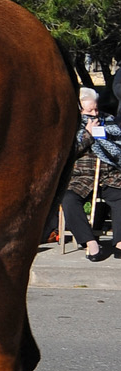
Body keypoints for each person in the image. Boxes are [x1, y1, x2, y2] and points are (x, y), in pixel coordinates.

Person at [61, 87, 121, 261]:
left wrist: (104, 137)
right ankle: (89, 242)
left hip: (109, 174)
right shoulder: (70, 124)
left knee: (119, 196)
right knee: (68, 198)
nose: (95, 114)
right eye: (90, 111)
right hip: (82, 176)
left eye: (96, 109)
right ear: (79, 109)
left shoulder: (109, 121)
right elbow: (68, 152)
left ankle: (119, 242)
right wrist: (88, 134)